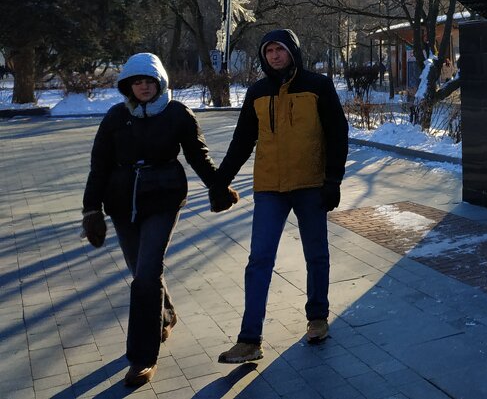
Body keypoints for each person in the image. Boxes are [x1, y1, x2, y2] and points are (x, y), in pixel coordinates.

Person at [81, 53, 238, 388]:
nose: (143, 87)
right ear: (128, 86)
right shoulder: (115, 117)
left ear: (160, 82)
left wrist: (218, 187)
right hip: (122, 202)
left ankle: (142, 358)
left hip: (163, 198)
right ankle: (164, 314)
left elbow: (198, 155)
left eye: (149, 81)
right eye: (137, 82)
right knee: (141, 270)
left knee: (146, 274)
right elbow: (99, 165)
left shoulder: (177, 113)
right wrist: (91, 209)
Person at [213, 29, 349, 364]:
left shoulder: (318, 86)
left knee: (316, 254)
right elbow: (242, 140)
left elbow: (337, 133)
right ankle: (249, 340)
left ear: (293, 51)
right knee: (259, 259)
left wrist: (333, 179)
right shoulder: (258, 92)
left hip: (310, 184)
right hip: (269, 188)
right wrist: (220, 181)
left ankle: (317, 318)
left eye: (280, 49)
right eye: (269, 51)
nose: (274, 56)